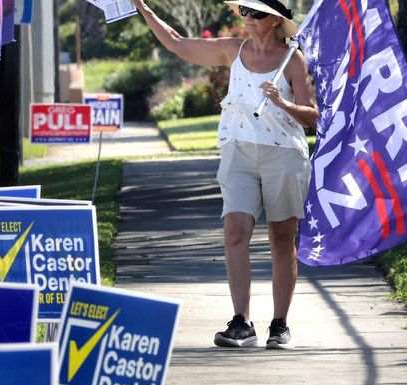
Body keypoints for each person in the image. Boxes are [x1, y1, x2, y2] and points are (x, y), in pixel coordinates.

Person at [131, 0, 318, 349]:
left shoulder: (293, 59)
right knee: (234, 232)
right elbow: (176, 43)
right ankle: (241, 321)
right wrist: (142, 6)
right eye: (244, 10)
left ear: (276, 20)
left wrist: (282, 103)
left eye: (256, 13)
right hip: (238, 151)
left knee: (281, 238)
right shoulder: (233, 51)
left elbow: (311, 115)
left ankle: (279, 325)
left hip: (284, 155)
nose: (247, 17)